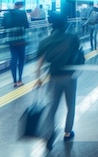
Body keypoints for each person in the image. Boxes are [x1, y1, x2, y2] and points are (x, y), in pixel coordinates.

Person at [34, 11, 82, 149]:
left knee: (52, 107)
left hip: (54, 77)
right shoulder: (72, 38)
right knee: (70, 105)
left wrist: (38, 79)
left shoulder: (45, 41)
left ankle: (48, 134)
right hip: (70, 77)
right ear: (65, 24)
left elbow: (39, 63)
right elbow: (77, 53)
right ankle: (67, 132)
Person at [3, 2, 30, 87]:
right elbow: (27, 25)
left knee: (14, 58)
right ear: (20, 6)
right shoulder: (22, 13)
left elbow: (3, 25)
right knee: (21, 59)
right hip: (21, 39)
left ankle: (14, 81)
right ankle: (20, 80)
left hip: (11, 40)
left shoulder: (6, 14)